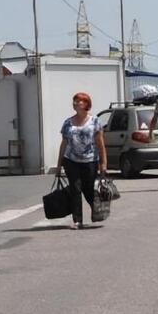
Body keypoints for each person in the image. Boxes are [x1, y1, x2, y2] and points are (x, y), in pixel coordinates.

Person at [56, 92, 108, 229]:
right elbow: (64, 144)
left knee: (89, 189)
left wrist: (103, 164)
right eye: (74, 101)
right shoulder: (68, 123)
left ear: (86, 104)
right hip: (71, 160)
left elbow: (100, 144)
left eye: (78, 101)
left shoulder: (95, 121)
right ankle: (77, 220)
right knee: (75, 189)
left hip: (90, 160)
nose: (75, 103)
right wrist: (59, 164)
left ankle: (97, 211)